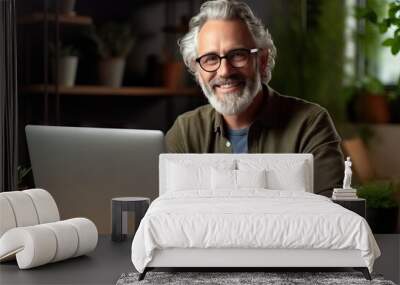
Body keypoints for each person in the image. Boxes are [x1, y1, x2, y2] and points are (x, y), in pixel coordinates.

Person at [165, 0, 344, 196]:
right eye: (210, 59)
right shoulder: (184, 132)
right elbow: (170, 216)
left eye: (237, 55)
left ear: (262, 60)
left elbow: (330, 216)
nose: (224, 71)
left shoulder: (310, 124)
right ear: (198, 70)